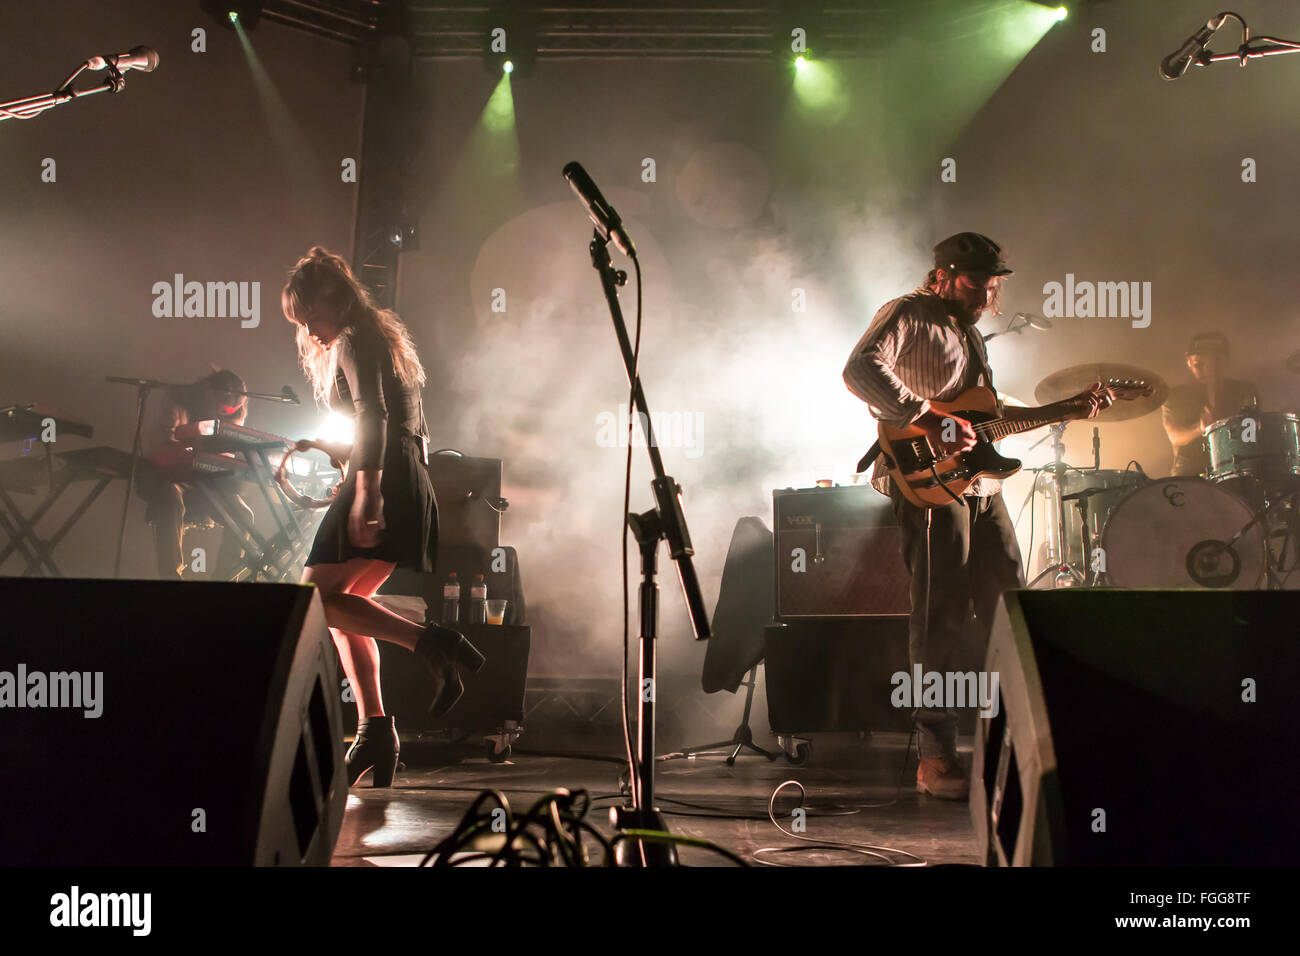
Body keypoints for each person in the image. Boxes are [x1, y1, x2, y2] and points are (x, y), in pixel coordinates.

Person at [843, 232, 1112, 800]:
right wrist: (927, 419)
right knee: (938, 615)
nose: (988, 294)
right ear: (941, 274)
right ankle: (935, 754)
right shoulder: (909, 312)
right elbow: (860, 369)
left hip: (980, 484)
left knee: (1010, 604)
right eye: (975, 283)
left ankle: (1018, 738)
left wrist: (1068, 408)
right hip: (930, 487)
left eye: (993, 285)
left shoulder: (967, 331)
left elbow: (985, 420)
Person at [282, 246, 484, 788]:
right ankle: (375, 730)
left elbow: (373, 413)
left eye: (313, 318)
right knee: (348, 608)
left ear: (337, 302)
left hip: (386, 479)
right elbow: (399, 421)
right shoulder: (377, 336)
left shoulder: (352, 337)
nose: (313, 332)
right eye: (303, 324)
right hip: (406, 474)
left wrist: (368, 491)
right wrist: (345, 454)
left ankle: (431, 644)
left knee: (316, 600)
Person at [138, 369, 254, 579]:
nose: (222, 414)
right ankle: (171, 577)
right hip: (167, 474)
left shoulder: (233, 414)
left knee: (243, 515)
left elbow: (227, 450)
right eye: (220, 408)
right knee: (171, 500)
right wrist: (194, 448)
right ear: (207, 393)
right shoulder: (175, 402)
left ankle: (224, 583)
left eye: (229, 411)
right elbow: (158, 446)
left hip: (204, 482)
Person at [1162, 332, 1259, 477]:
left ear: (1226, 361)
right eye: (1199, 364)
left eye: (1215, 364)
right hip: (1190, 474)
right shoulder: (1175, 396)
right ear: (1188, 362)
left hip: (1235, 469)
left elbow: (1254, 436)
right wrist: (1200, 428)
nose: (1207, 370)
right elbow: (1175, 437)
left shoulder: (1244, 391)